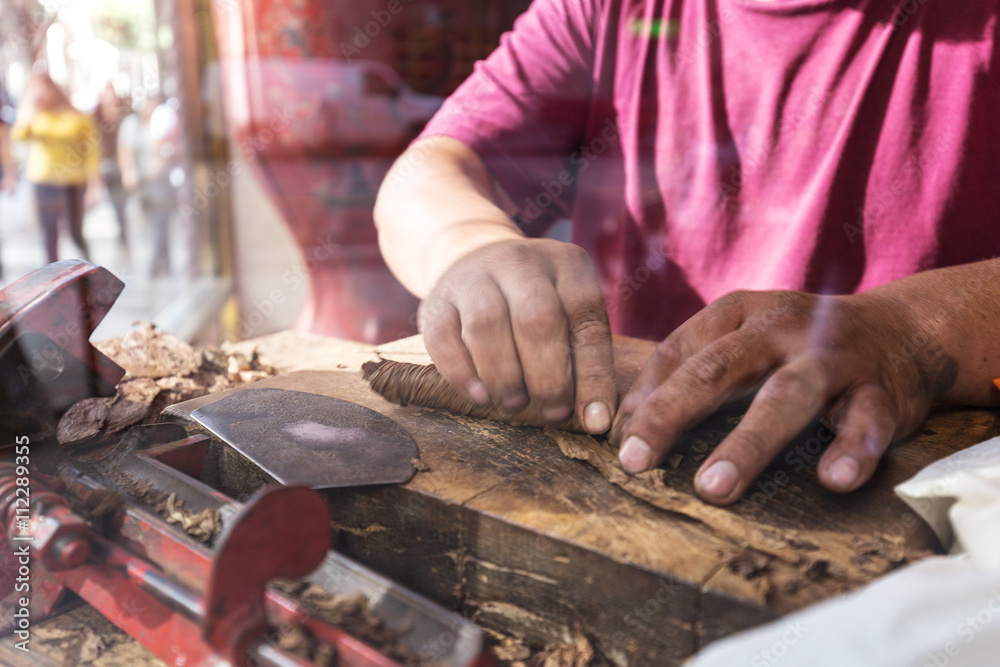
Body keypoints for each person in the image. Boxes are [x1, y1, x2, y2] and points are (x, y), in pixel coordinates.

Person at [374, 0, 1000, 506]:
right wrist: (468, 246)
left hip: (915, 501)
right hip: (618, 472)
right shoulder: (607, 13)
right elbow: (425, 177)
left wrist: (908, 331)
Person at [12, 72, 99, 264]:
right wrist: (30, 106)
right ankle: (52, 281)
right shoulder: (35, 115)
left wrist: (93, 187)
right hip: (43, 182)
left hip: (71, 183)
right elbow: (18, 136)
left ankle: (89, 272)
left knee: (75, 232)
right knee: (49, 236)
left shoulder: (77, 117)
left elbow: (91, 154)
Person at [94, 83, 131, 254]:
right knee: (116, 206)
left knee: (124, 204)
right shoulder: (96, 118)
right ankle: (123, 238)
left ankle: (126, 238)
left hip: (124, 165)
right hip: (107, 167)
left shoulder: (124, 116)